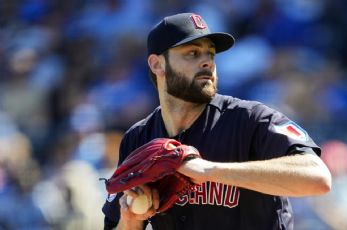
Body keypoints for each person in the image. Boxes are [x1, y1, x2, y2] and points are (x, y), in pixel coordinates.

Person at [102, 12, 332, 230]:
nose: (207, 62)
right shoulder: (138, 138)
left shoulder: (250, 120)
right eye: (192, 53)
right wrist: (130, 220)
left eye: (210, 54)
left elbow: (318, 177)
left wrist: (209, 170)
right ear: (157, 65)